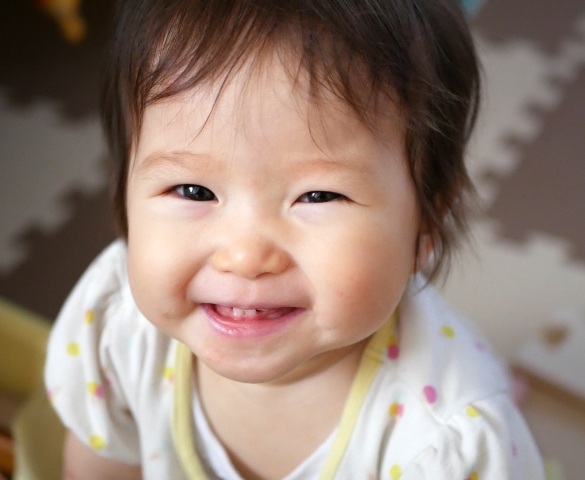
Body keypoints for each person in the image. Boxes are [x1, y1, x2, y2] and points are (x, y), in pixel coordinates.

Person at [44, 0, 545, 478]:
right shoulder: (115, 326)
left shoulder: (445, 446)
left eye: (319, 196)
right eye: (194, 191)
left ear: (426, 224)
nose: (245, 256)